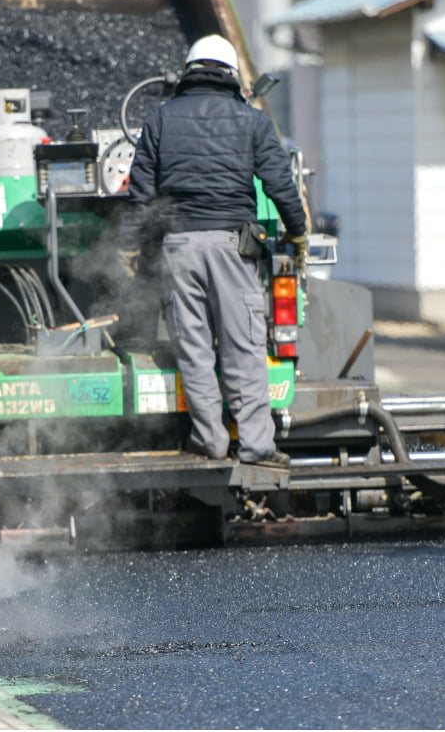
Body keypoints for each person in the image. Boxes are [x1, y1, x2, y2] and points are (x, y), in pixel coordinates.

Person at [125, 33, 309, 469]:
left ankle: (209, 440)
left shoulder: (160, 118)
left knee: (194, 350)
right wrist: (298, 233)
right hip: (232, 247)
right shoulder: (252, 120)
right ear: (231, 74)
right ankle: (256, 446)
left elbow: (141, 193)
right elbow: (280, 184)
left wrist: (132, 245)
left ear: (188, 72)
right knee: (243, 347)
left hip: (178, 248)